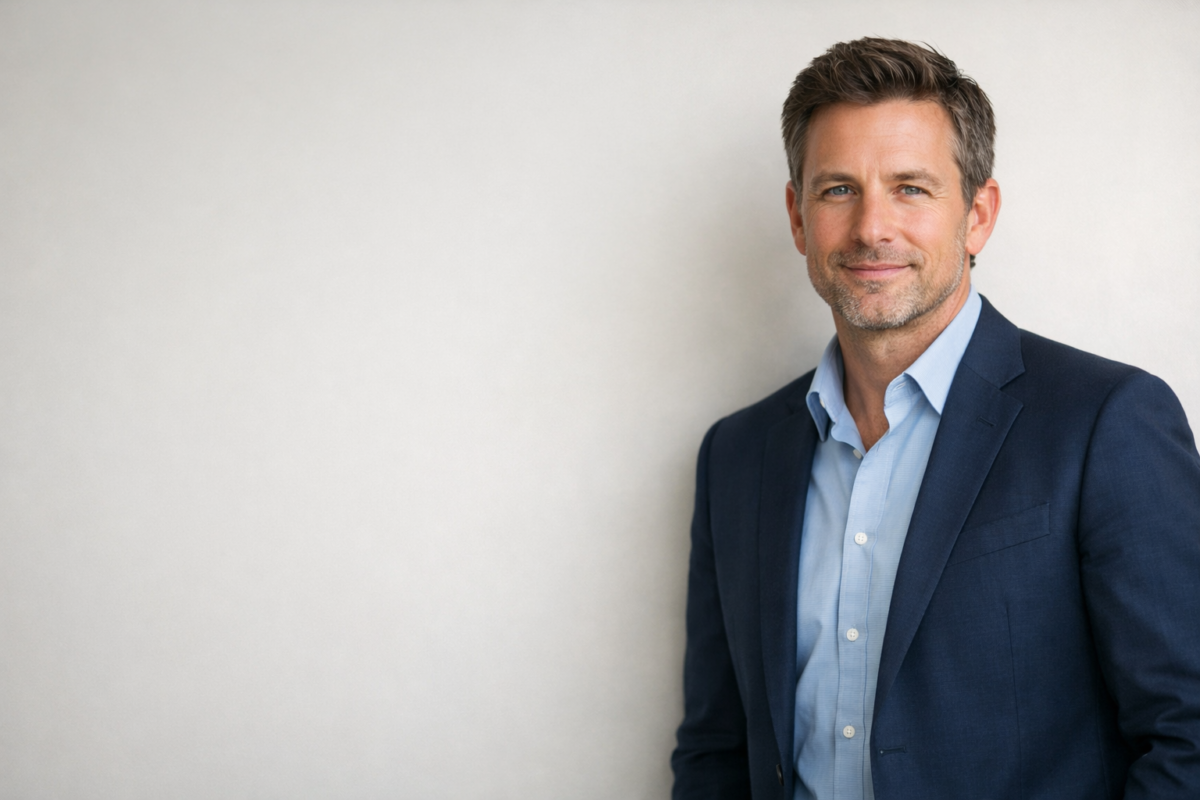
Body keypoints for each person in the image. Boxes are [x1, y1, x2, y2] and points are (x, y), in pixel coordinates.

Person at [670, 37, 1200, 800]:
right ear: (796, 218)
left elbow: (1187, 735)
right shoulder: (736, 456)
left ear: (977, 214)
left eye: (911, 188)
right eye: (837, 190)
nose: (871, 229)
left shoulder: (1105, 422)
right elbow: (717, 751)